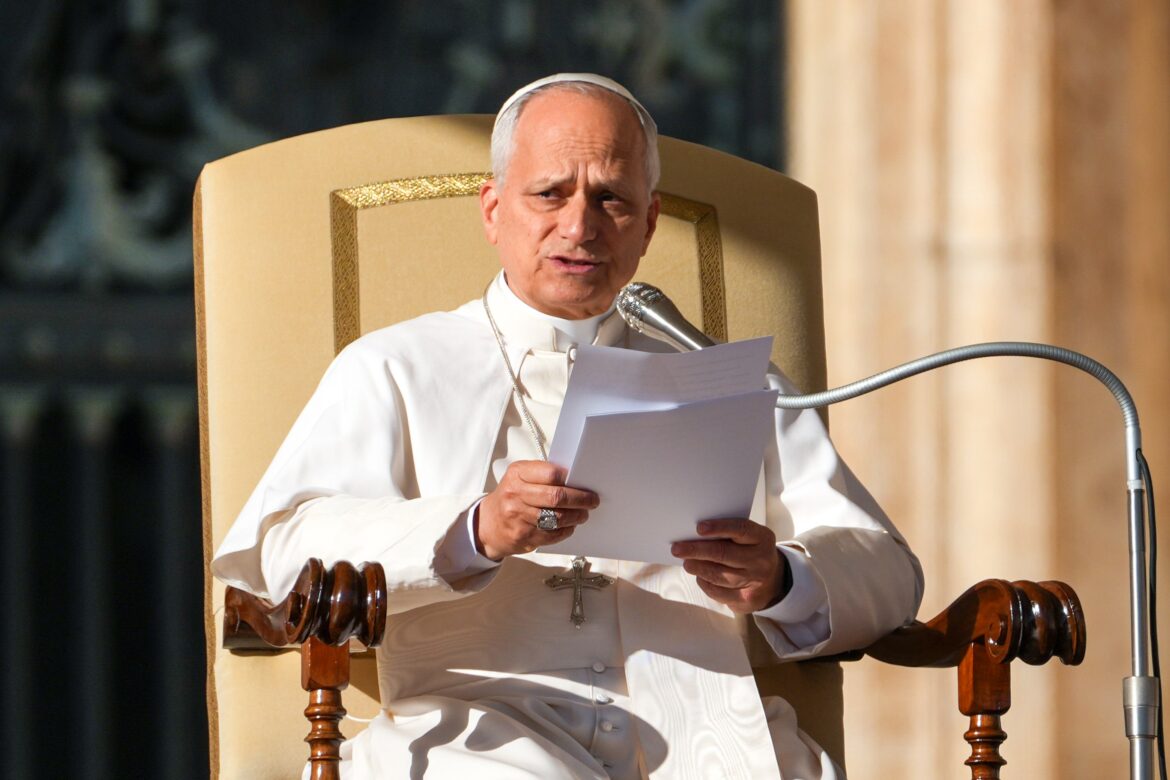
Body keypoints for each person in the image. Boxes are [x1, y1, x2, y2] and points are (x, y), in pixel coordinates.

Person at [212, 73, 923, 779]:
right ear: (494, 210)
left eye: (611, 199)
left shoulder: (728, 379)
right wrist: (474, 530)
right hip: (474, 736)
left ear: (648, 224)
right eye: (549, 193)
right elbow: (280, 552)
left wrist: (780, 578)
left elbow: (888, 572)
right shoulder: (395, 367)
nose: (580, 228)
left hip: (708, 737)